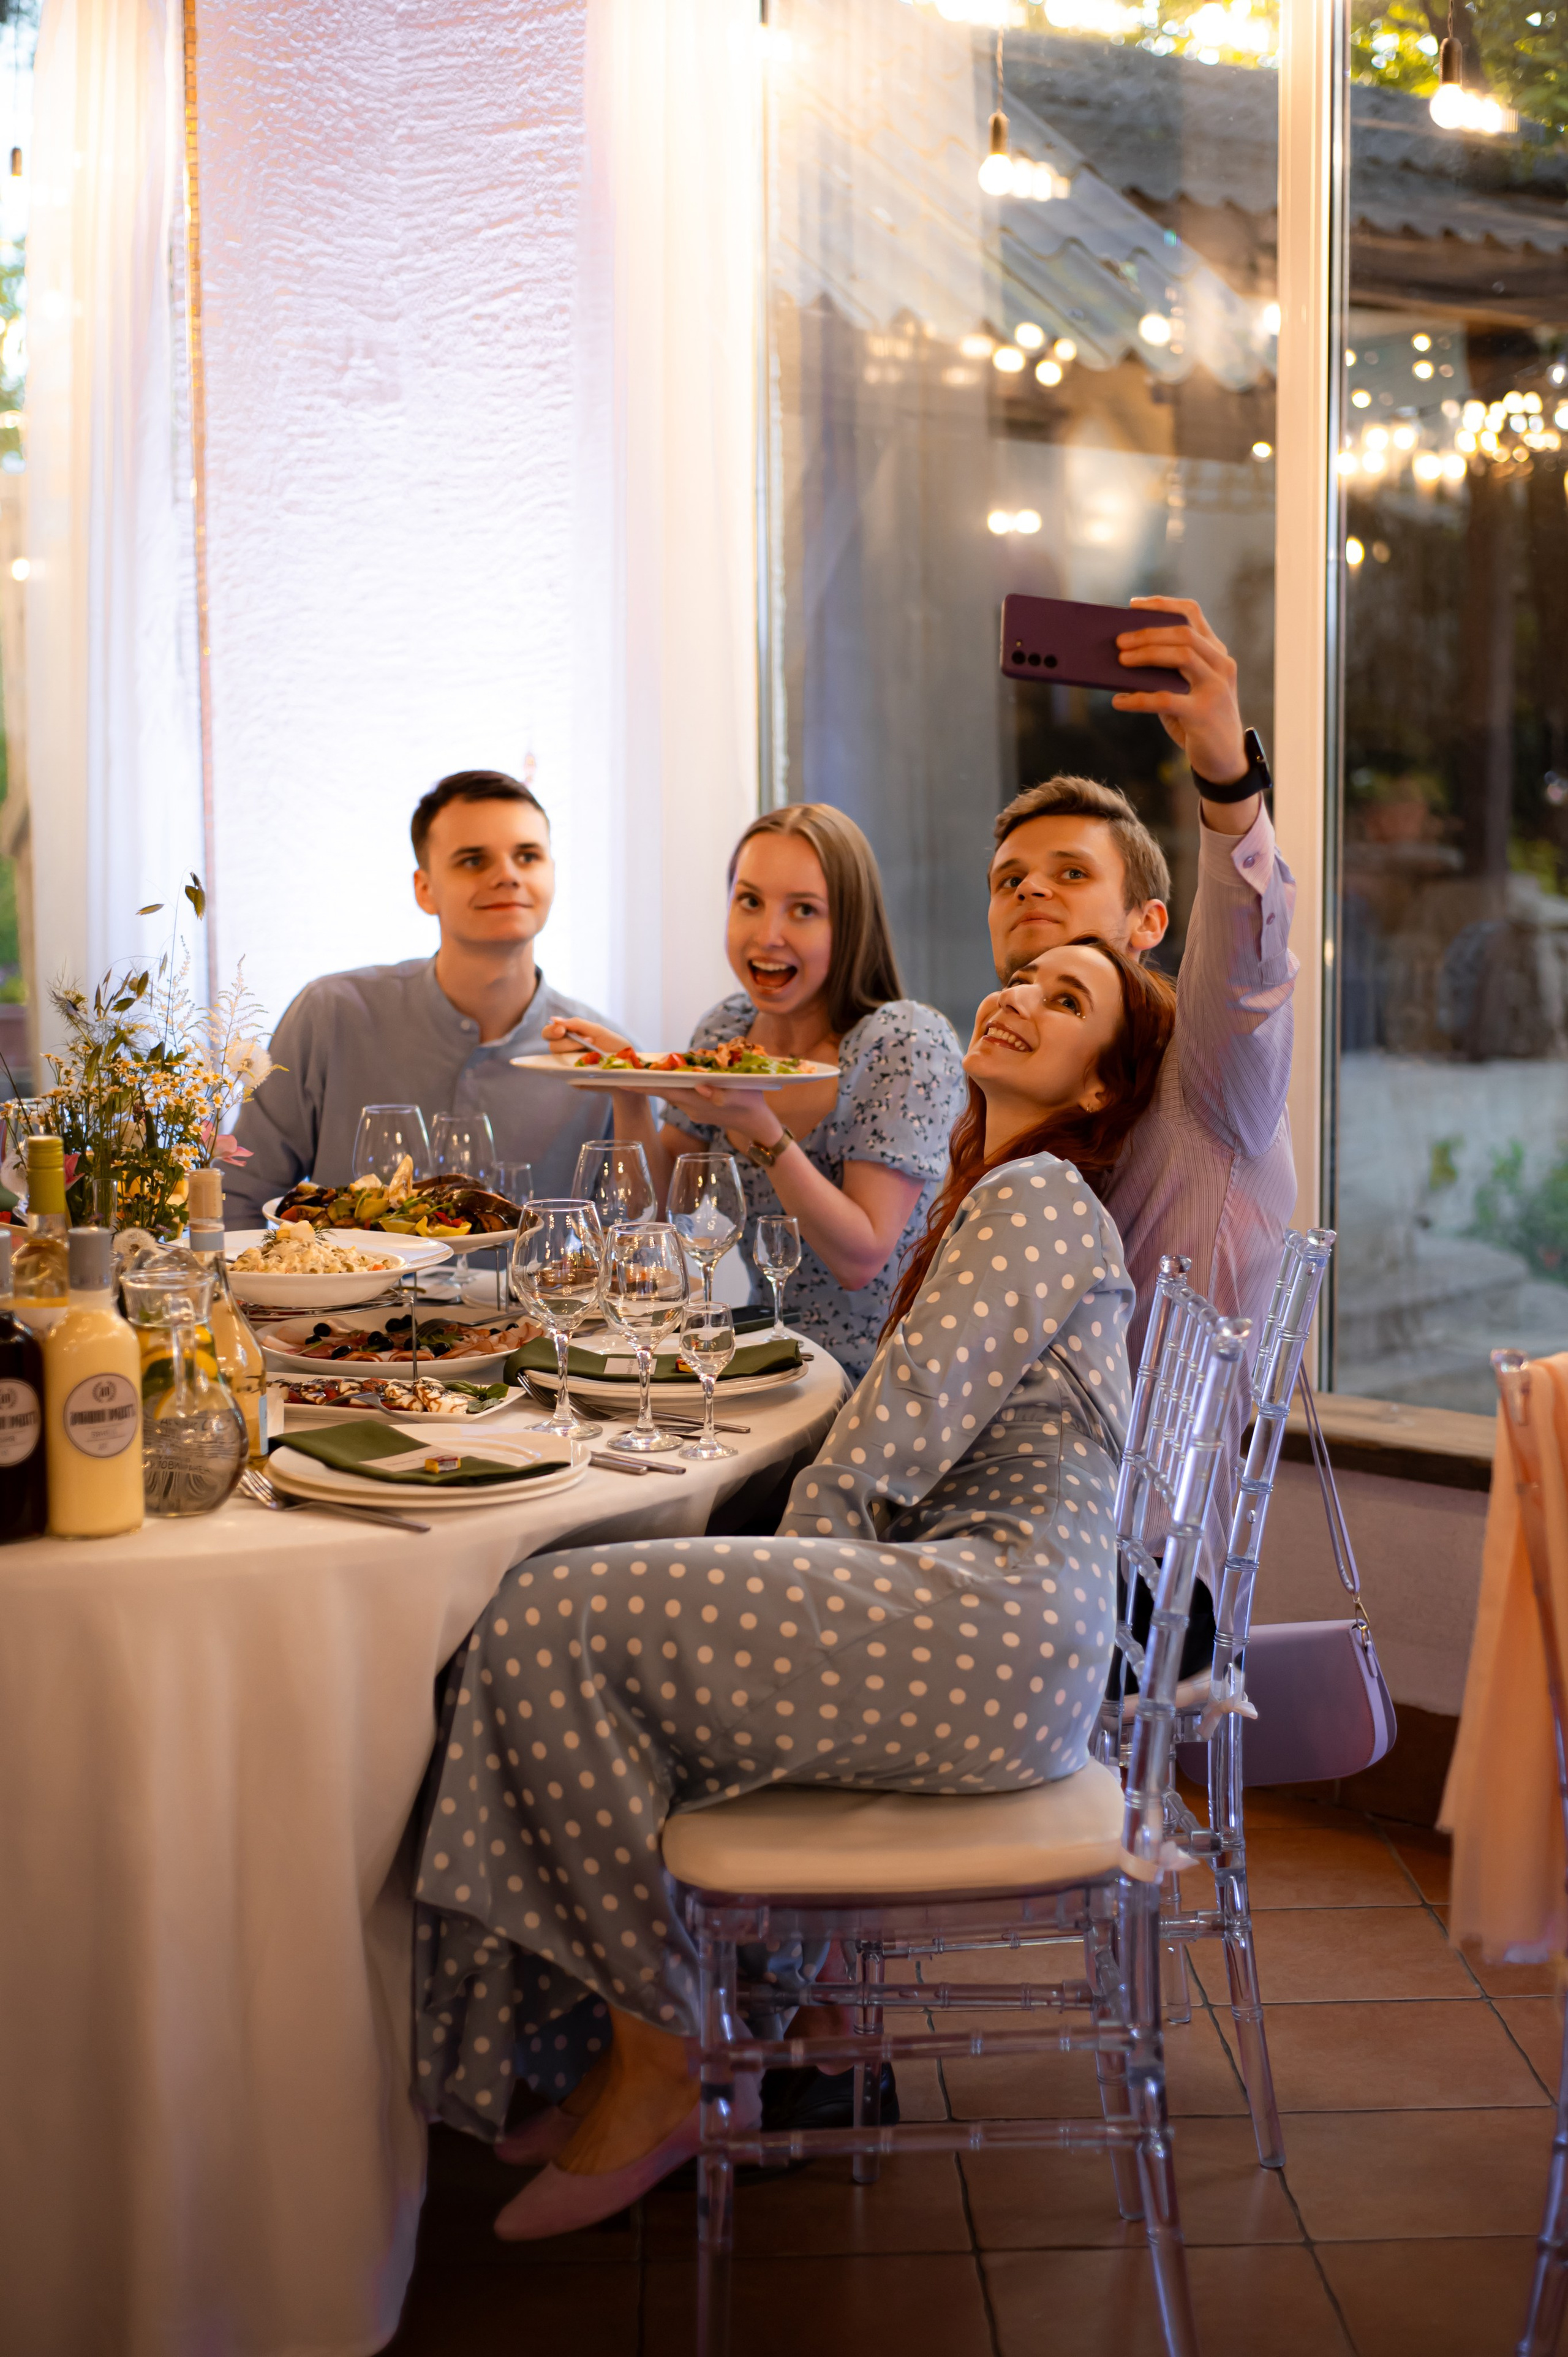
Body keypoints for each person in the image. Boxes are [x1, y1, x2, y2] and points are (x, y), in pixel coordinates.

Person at [412, 936, 1177, 2238]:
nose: (1018, 997)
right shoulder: (995, 1192)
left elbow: (898, 1425)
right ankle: (652, 2043)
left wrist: (787, 1572)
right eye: (1024, 977)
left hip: (996, 1625)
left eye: (1067, 1002)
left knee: (544, 1618)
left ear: (1100, 1085)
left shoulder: (1039, 1196)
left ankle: (666, 2054)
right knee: (568, 1601)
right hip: (1001, 1631)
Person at [543, 804, 967, 1381]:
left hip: (883, 1378)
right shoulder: (728, 1029)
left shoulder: (904, 1041)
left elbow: (861, 1259)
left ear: (850, 925)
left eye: (804, 910)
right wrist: (630, 1082)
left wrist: (762, 1130)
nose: (768, 935)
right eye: (750, 901)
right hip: (760, 1360)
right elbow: (658, 1216)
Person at [986, 595, 1297, 1361]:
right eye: (1008, 880)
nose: (1029, 888)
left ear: (1148, 924)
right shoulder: (1006, 1074)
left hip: (1144, 1441)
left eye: (1071, 872)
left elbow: (1244, 975)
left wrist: (1225, 776)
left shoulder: (1200, 1071)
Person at [224, 771, 616, 1222]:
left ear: (553, 875)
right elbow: (239, 1200)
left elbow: (635, 1234)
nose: (508, 875)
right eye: (474, 860)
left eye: (528, 856)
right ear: (425, 890)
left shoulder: (605, 1060)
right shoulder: (329, 1015)